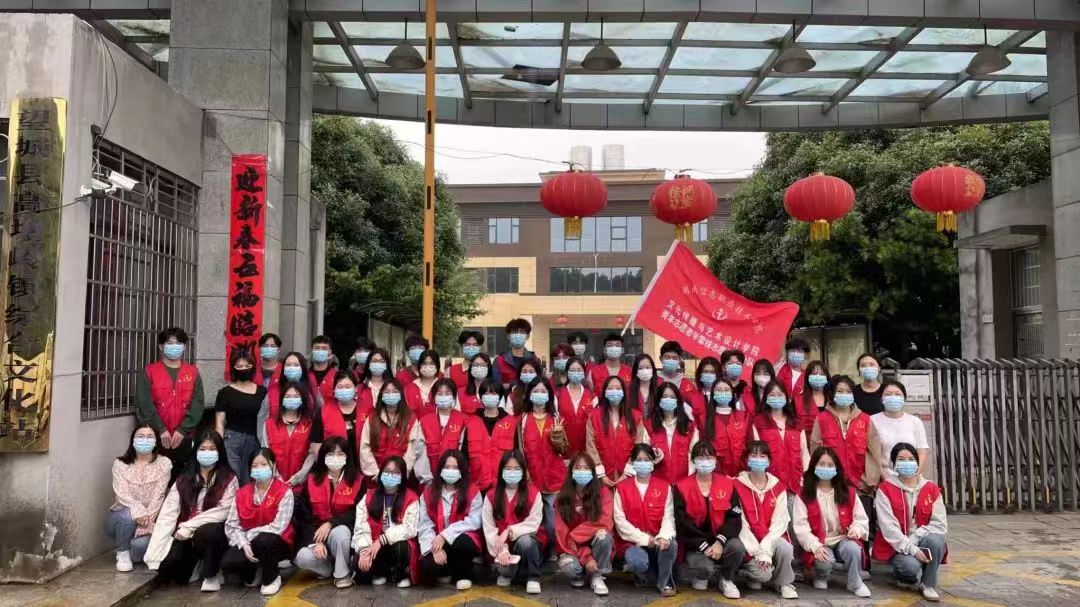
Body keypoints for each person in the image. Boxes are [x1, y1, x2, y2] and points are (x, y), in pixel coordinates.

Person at [146, 430, 238, 590]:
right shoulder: (183, 479)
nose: (207, 453)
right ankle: (197, 563)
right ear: (196, 451)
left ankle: (211, 575)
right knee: (172, 572)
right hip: (185, 536)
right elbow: (168, 514)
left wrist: (189, 526)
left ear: (220, 452)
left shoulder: (229, 478)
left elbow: (224, 511)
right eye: (203, 449)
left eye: (212, 449)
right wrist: (154, 554)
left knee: (209, 531)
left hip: (215, 534)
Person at [792, 446, 871, 597]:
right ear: (813, 466)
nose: (826, 468)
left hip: (842, 539)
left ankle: (855, 583)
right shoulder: (804, 494)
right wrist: (815, 546)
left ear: (836, 468)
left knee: (854, 549)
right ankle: (821, 576)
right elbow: (801, 527)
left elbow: (861, 518)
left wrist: (856, 529)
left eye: (830, 465)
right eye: (821, 464)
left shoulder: (848, 492)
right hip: (820, 542)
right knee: (823, 562)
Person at [873, 443, 948, 602]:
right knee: (909, 567)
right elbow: (889, 528)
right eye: (901, 459)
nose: (906, 463)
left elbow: (940, 525)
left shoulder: (931, 489)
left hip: (921, 540)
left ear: (917, 462)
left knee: (936, 540)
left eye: (911, 459)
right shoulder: (885, 489)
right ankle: (904, 575)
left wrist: (916, 537)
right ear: (894, 464)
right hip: (898, 546)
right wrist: (912, 549)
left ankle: (928, 584)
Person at [673, 442, 745, 598]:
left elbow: (734, 517)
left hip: (721, 541)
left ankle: (726, 579)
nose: (705, 461)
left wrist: (720, 541)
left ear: (715, 460)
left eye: (709, 457)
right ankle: (702, 575)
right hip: (695, 545)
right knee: (704, 569)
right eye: (700, 457)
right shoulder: (681, 487)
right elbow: (682, 523)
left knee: (737, 547)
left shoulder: (727, 484)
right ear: (693, 460)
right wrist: (704, 545)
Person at [221, 449, 294, 596]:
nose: (259, 469)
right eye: (255, 466)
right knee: (230, 562)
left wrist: (249, 535)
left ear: (273, 465)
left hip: (276, 542)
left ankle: (271, 579)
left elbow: (278, 527)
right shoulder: (242, 493)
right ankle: (256, 569)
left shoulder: (285, 491)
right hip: (249, 541)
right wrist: (243, 544)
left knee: (265, 540)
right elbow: (231, 525)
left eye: (264, 464)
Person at [293, 438, 364, 588]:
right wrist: (315, 543)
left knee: (341, 532)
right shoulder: (311, 481)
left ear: (348, 457)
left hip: (345, 536)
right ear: (323, 457)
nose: (335, 458)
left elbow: (356, 513)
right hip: (317, 535)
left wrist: (331, 523)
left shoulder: (358, 481)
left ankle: (342, 574)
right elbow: (304, 518)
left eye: (340, 454)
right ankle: (327, 569)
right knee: (302, 557)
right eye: (330, 454)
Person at [810, 375, 882, 523]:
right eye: (840, 391)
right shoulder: (822, 419)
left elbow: (874, 453)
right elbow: (815, 452)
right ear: (832, 394)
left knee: (862, 530)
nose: (844, 395)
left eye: (848, 392)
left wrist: (868, 481)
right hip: (830, 487)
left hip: (861, 488)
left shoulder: (865, 419)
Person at [734, 441, 799, 600]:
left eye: (762, 456)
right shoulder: (737, 485)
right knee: (762, 576)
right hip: (749, 542)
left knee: (785, 547)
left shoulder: (778, 487)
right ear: (747, 459)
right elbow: (741, 524)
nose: (758, 459)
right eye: (753, 455)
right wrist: (757, 552)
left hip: (770, 539)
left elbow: (780, 523)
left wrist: (765, 551)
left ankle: (783, 583)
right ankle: (747, 574)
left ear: (769, 461)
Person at [136, 327, 205, 477]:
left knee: (183, 479)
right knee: (155, 476)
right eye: (170, 343)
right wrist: (160, 429)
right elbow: (144, 403)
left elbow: (198, 403)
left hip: (184, 436)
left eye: (178, 343)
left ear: (184, 347)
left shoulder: (192, 372)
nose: (175, 347)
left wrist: (183, 429)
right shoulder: (150, 371)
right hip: (155, 436)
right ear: (161, 346)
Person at [613, 444, 678, 596]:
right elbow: (620, 522)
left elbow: (668, 517)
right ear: (632, 462)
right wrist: (645, 539)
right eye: (639, 459)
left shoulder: (665, 487)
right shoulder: (621, 488)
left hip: (657, 541)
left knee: (671, 544)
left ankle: (664, 582)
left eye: (647, 459)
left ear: (653, 462)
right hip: (631, 543)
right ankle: (641, 573)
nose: (643, 463)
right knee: (638, 562)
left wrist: (663, 537)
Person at [106, 424, 172, 571]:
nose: (145, 440)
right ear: (133, 440)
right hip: (120, 517)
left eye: (150, 437)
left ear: (156, 441)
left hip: (149, 520)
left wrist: (147, 521)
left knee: (140, 547)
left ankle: (130, 548)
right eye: (140, 436)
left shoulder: (164, 464)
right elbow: (122, 494)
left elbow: (159, 496)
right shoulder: (120, 464)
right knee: (127, 515)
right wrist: (138, 511)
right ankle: (122, 552)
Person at [417, 449, 483, 589]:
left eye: (455, 468)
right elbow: (424, 524)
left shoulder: (472, 491)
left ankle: (462, 575)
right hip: (436, 541)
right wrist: (433, 549)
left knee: (463, 544)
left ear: (462, 470)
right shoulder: (429, 492)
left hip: (459, 540)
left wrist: (445, 535)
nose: (450, 471)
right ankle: (448, 570)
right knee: (427, 568)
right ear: (440, 469)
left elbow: (475, 520)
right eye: (447, 467)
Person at [352, 455, 421, 587]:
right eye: (387, 471)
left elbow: (410, 528)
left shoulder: (411, 497)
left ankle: (400, 574)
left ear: (402, 477)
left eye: (396, 473)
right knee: (360, 566)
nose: (390, 475)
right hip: (373, 545)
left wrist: (382, 539)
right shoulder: (369, 496)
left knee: (401, 547)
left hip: (395, 545)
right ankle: (380, 572)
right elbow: (360, 526)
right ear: (381, 473)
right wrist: (364, 551)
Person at [483, 450, 545, 594]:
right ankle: (507, 573)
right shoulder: (491, 495)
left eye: (517, 469)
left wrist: (509, 531)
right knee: (503, 568)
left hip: (525, 546)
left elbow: (534, 523)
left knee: (526, 542)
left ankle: (533, 577)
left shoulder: (534, 493)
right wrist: (502, 550)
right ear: (501, 471)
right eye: (508, 468)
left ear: (523, 471)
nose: (512, 472)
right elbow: (489, 528)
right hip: (501, 549)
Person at [518, 376, 567, 549]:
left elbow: (563, 449)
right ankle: (539, 554)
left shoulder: (556, 418)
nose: (539, 394)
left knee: (553, 524)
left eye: (543, 391)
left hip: (554, 478)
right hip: (532, 479)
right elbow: (520, 450)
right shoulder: (523, 419)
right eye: (536, 391)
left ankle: (555, 552)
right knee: (534, 523)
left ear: (549, 395)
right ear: (529, 394)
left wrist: (557, 436)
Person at [554, 453, 613, 596]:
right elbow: (562, 535)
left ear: (592, 471)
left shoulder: (603, 492)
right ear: (571, 471)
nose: (582, 471)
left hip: (594, 543)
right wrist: (586, 557)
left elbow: (604, 522)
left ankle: (597, 575)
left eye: (586, 468)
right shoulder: (562, 497)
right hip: (572, 547)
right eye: (578, 468)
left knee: (604, 536)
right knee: (568, 566)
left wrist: (575, 534)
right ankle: (579, 575)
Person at [418, 378, 485, 487]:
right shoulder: (424, 421)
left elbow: (466, 453)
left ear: (454, 397)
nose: (443, 396)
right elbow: (420, 453)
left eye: (447, 393)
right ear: (434, 397)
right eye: (439, 393)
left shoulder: (464, 420)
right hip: (430, 481)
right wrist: (428, 480)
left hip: (457, 479)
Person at [586, 376, 650, 488]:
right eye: (610, 388)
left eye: (618, 388)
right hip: (601, 478)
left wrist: (627, 473)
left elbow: (639, 446)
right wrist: (601, 474)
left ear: (624, 392)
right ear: (605, 392)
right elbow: (590, 446)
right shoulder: (594, 416)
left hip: (628, 476)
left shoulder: (635, 417)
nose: (614, 391)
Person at [749, 381, 810, 498]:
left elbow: (805, 454)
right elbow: (756, 456)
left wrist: (806, 478)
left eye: (780, 394)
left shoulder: (796, 424)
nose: (776, 398)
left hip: (796, 484)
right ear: (766, 398)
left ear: (786, 398)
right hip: (769, 485)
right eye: (772, 395)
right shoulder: (758, 423)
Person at [215, 350, 268, 485]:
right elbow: (220, 422)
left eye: (247, 365)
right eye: (239, 366)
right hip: (231, 439)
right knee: (230, 479)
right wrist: (218, 445)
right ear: (233, 368)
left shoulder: (262, 392)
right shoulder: (225, 393)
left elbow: (266, 418)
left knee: (251, 480)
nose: (243, 369)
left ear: (253, 367)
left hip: (255, 439)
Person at [358, 380, 423, 483]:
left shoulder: (411, 418)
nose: (391, 395)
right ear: (381, 395)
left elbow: (413, 448)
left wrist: (400, 473)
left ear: (401, 395)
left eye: (395, 391)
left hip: (402, 475)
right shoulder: (372, 418)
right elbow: (365, 447)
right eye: (387, 392)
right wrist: (376, 473)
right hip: (376, 476)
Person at [264, 382, 320, 491]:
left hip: (301, 486)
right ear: (282, 399)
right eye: (288, 396)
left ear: (302, 400)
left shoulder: (310, 425)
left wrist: (296, 479)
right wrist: (277, 477)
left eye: (296, 396)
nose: (292, 399)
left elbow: (312, 456)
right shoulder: (269, 424)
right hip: (274, 484)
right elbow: (265, 453)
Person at [871, 380, 930, 477]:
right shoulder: (872, 421)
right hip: (884, 477)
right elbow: (871, 454)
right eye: (888, 394)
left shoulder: (915, 421)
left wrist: (915, 475)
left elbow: (922, 451)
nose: (893, 397)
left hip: (912, 476)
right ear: (881, 399)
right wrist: (884, 477)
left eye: (897, 394)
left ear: (904, 398)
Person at [472, 380, 518, 491]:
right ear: (481, 397)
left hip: (504, 483)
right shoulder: (471, 422)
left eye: (493, 393)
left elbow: (517, 453)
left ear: (500, 396)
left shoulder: (511, 422)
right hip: (477, 484)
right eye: (486, 393)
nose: (490, 396)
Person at [649, 382, 698, 483]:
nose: (668, 400)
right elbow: (643, 455)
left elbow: (695, 455)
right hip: (657, 483)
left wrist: (688, 480)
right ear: (658, 400)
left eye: (672, 397)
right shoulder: (650, 425)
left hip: (684, 482)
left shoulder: (689, 425)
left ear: (678, 400)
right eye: (664, 396)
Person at [704, 378, 750, 476]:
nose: (723, 393)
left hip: (743, 475)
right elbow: (703, 451)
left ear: (732, 393)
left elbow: (751, 445)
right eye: (719, 390)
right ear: (713, 394)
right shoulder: (705, 419)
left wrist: (745, 472)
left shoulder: (744, 416)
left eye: (726, 390)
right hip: (717, 476)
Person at [321, 370, 370, 457]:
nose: (344, 390)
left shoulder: (367, 410)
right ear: (334, 389)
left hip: (363, 462)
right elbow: (317, 443)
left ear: (356, 388)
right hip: (334, 462)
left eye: (348, 387)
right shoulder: (324, 411)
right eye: (340, 387)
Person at [555, 356, 593, 460]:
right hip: (563, 452)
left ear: (584, 372)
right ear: (567, 372)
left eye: (579, 370)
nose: (576, 373)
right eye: (572, 370)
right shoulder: (558, 395)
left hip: (586, 453)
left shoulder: (591, 396)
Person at [266, 351, 317, 419]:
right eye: (288, 365)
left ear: (302, 368)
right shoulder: (273, 391)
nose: (291, 368)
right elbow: (263, 417)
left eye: (296, 365)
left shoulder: (311, 390)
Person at [495, 318, 535, 387]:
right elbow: (496, 386)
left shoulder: (534, 360)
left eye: (522, 332)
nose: (518, 335)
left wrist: (509, 385)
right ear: (508, 336)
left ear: (527, 336)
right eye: (515, 332)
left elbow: (538, 383)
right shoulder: (499, 360)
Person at [775, 338, 810, 415]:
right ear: (787, 352)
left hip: (800, 415)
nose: (796, 353)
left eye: (800, 351)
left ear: (806, 355)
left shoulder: (808, 376)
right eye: (793, 350)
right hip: (779, 412)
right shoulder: (778, 370)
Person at [799, 360, 830, 439]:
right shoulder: (798, 400)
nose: (818, 377)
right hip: (808, 442)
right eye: (814, 374)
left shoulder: (833, 399)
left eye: (822, 374)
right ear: (808, 377)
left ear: (827, 377)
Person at [686, 356, 721, 427]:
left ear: (718, 375)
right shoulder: (691, 397)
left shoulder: (725, 396)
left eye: (713, 372)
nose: (709, 375)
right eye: (705, 371)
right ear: (700, 374)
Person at [404, 349, 441, 414]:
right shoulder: (409, 388)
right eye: (424, 363)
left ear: (437, 366)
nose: (428, 367)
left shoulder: (443, 386)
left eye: (431, 363)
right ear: (419, 366)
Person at [357, 347, 392, 413]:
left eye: (381, 361)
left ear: (386, 365)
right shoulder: (360, 389)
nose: (377, 364)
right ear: (369, 364)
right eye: (374, 361)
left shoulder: (393, 388)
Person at [627, 353, 659, 417]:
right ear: (636, 371)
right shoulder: (628, 390)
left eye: (648, 367)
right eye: (640, 368)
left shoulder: (659, 389)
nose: (645, 371)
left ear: (653, 369)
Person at [310, 335, 338, 406]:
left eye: (324, 348)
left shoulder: (337, 376)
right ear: (312, 351)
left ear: (330, 352)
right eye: (317, 348)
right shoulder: (305, 375)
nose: (320, 351)